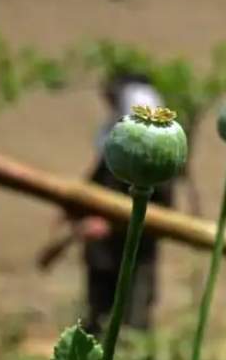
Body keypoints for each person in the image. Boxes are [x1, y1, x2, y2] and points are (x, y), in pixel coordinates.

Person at [38, 73, 175, 335]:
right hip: (102, 257)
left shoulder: (155, 162)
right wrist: (71, 213)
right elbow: (92, 188)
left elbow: (160, 211)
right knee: (98, 324)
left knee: (131, 325)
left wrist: (111, 224)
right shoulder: (113, 153)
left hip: (133, 257)